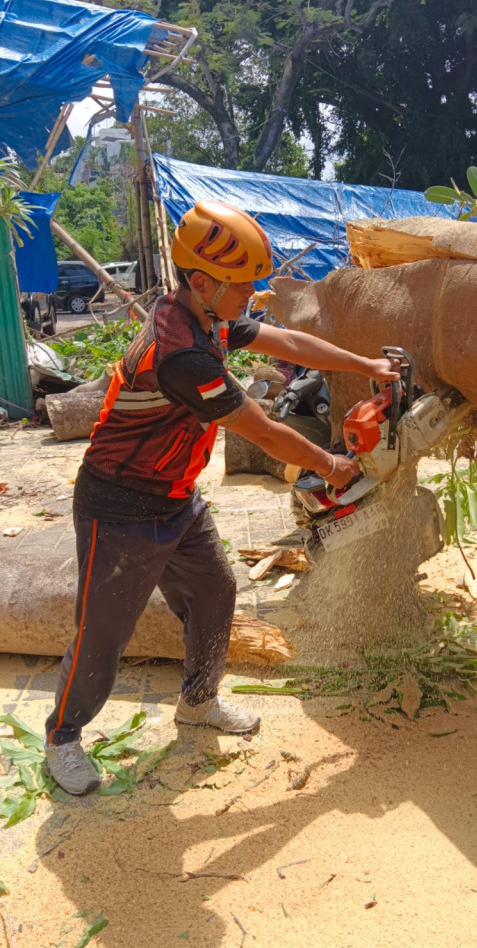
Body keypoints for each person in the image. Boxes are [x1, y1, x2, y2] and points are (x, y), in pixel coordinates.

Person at [45, 200, 399, 795]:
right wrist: (333, 466)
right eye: (244, 286)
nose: (252, 296)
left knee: (216, 589)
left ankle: (198, 702)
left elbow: (286, 341)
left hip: (176, 496)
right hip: (120, 503)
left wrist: (365, 363)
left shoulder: (204, 319)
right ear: (204, 282)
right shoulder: (181, 355)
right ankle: (63, 736)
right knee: (103, 627)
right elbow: (261, 429)